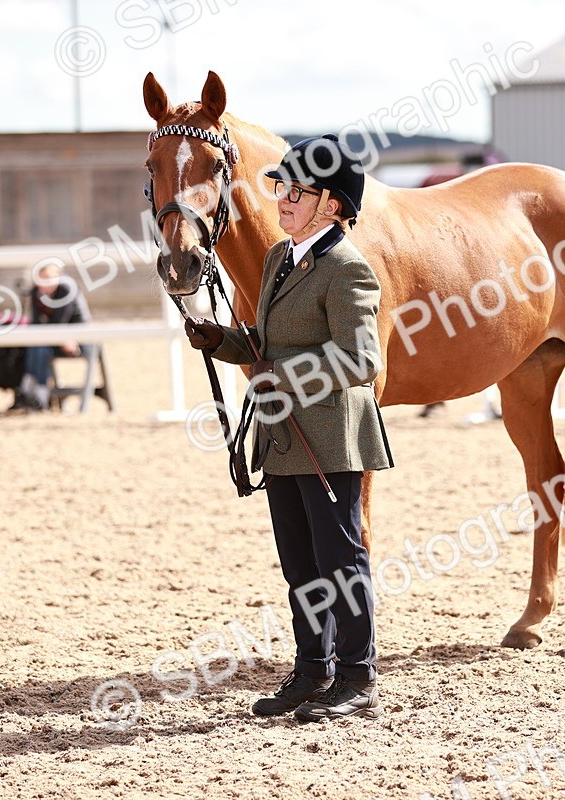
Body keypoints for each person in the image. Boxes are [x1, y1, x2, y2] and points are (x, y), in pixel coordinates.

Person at [184, 134, 393, 722]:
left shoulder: (348, 269)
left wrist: (286, 374)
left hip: (328, 436)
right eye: (280, 187)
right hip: (282, 437)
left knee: (341, 561)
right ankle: (312, 669)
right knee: (299, 562)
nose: (281, 199)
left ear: (331, 205)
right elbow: (268, 343)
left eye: (295, 191)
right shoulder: (280, 258)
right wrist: (221, 340)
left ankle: (357, 677)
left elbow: (361, 360)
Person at [13, 262, 90, 411]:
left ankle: (39, 394)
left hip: (77, 338)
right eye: (41, 278)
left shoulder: (65, 289)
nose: (45, 282)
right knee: (36, 346)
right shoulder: (37, 292)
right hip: (55, 337)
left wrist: (63, 336)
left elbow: (60, 321)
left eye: (49, 277)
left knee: (40, 346)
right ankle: (31, 391)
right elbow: (35, 323)